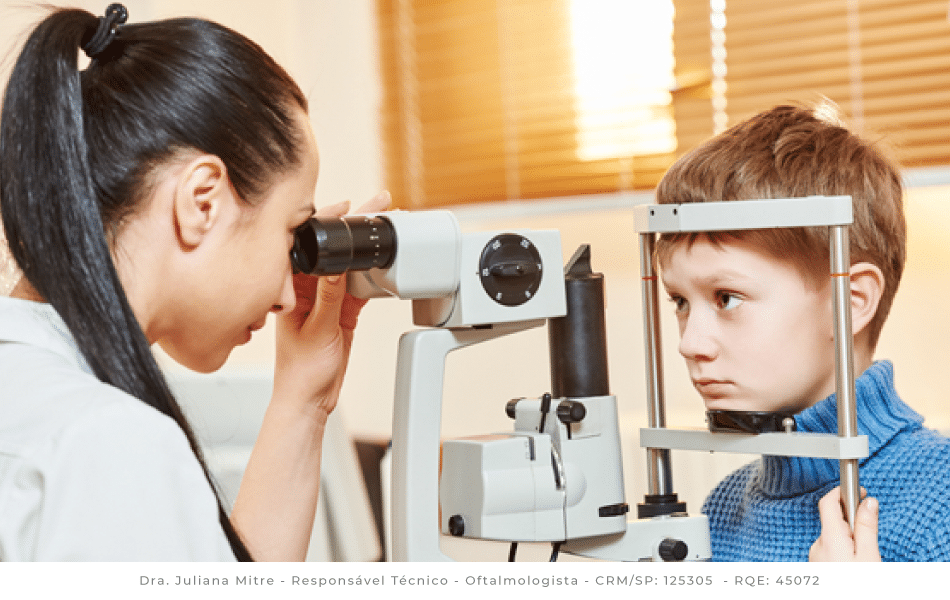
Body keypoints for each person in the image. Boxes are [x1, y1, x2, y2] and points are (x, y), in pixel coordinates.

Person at [0, 4, 389, 560]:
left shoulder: (34, 395)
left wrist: (303, 398)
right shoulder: (113, 444)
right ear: (201, 202)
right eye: (291, 232)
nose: (287, 296)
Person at [654, 103, 950, 561]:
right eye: (680, 301)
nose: (689, 344)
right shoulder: (722, 508)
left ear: (850, 301)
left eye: (727, 298)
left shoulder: (939, 506)